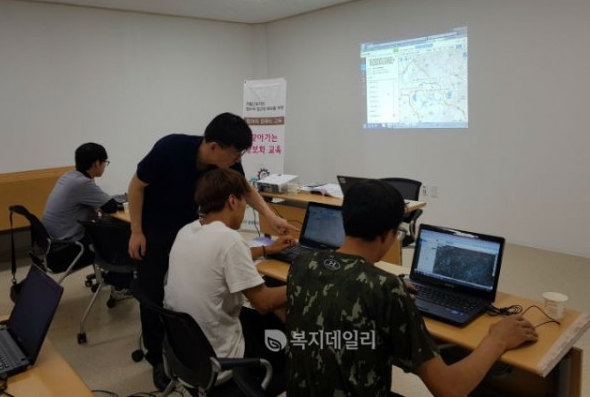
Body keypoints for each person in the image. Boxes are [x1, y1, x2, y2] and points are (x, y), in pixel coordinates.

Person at [285, 179, 539, 397]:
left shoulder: (303, 263)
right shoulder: (386, 289)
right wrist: (497, 339)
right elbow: (450, 389)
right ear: (389, 233)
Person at [127, 112, 295, 390]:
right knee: (153, 294)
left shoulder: (225, 167)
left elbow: (245, 190)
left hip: (191, 230)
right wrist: (136, 231)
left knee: (191, 287)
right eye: (236, 154)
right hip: (155, 231)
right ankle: (157, 357)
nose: (238, 160)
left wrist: (270, 217)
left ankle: (181, 354)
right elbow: (136, 186)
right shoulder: (169, 149)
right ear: (215, 147)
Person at [164, 168, 293, 396]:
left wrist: (267, 250)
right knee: (289, 337)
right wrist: (303, 282)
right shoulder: (229, 239)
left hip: (188, 352)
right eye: (245, 203)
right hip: (222, 361)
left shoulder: (187, 231)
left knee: (265, 300)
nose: (244, 209)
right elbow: (264, 303)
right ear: (232, 201)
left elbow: (221, 259)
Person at [43, 143, 129, 297]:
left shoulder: (68, 176)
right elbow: (111, 207)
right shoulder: (82, 183)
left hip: (52, 244)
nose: (105, 166)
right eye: (105, 162)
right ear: (96, 163)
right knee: (120, 236)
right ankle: (120, 285)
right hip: (67, 250)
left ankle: (112, 279)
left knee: (105, 227)